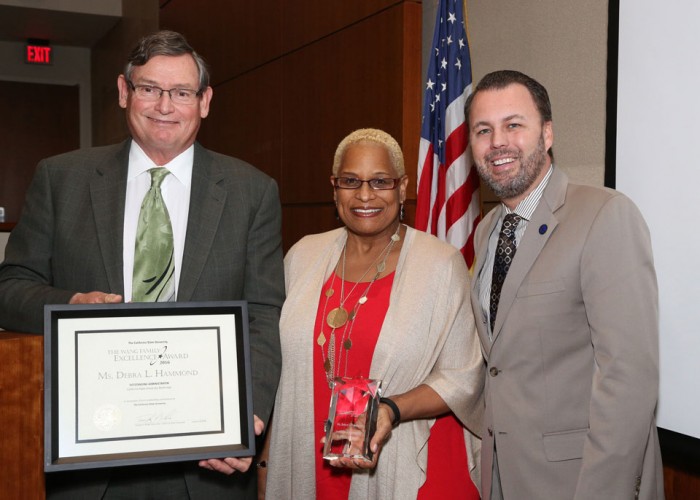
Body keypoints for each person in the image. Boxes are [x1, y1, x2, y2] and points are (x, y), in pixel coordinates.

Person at [0, 30, 284, 499]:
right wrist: (71, 303)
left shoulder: (252, 192)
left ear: (205, 100)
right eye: (149, 88)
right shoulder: (61, 178)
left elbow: (263, 312)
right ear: (123, 92)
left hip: (207, 459)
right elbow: (10, 287)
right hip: (90, 461)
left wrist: (246, 412)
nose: (164, 106)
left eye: (181, 92)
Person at [465, 69, 664, 499]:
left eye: (513, 125)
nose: (497, 142)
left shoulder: (605, 215)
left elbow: (629, 378)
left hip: (581, 484)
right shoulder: (486, 232)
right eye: (484, 130)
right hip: (503, 478)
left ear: (547, 133)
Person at [264, 128, 484, 499]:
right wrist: (266, 463)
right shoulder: (302, 257)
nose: (365, 195)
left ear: (402, 187)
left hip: (405, 461)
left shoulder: (440, 265)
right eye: (351, 181)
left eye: (380, 181)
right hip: (308, 462)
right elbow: (281, 374)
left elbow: (463, 377)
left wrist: (390, 409)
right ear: (334, 188)